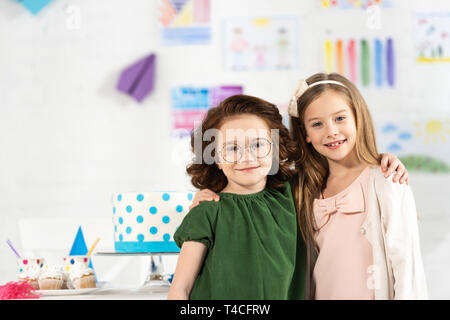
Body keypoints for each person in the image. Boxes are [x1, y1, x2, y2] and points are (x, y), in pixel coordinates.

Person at [288, 72, 427, 299]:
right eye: (317, 124)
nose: (331, 131)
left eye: (340, 118)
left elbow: (407, 269)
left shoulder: (387, 181)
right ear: (305, 135)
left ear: (357, 118)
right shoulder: (303, 191)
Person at [167, 95, 306, 299]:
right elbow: (180, 289)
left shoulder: (292, 195)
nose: (246, 157)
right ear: (216, 158)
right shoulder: (207, 211)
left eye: (258, 144)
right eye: (232, 148)